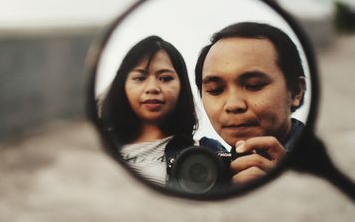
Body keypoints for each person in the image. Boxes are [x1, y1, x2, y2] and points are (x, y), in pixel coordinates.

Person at [100, 35, 225, 186]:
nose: (152, 88)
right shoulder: (98, 149)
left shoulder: (206, 152)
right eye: (140, 78)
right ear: (122, 86)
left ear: (182, 86)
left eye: (165, 78)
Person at [195, 22, 307, 185]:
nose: (233, 104)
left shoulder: (322, 164)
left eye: (254, 85)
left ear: (296, 91)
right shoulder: (215, 178)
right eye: (215, 90)